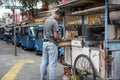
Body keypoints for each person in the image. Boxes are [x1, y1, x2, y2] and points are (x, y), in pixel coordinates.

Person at [40, 9, 65, 80]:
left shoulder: (46, 20)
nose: (60, 19)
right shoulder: (54, 22)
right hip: (52, 44)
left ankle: (42, 78)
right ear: (59, 15)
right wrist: (61, 39)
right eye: (61, 18)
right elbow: (56, 36)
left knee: (44, 62)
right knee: (52, 64)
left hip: (44, 43)